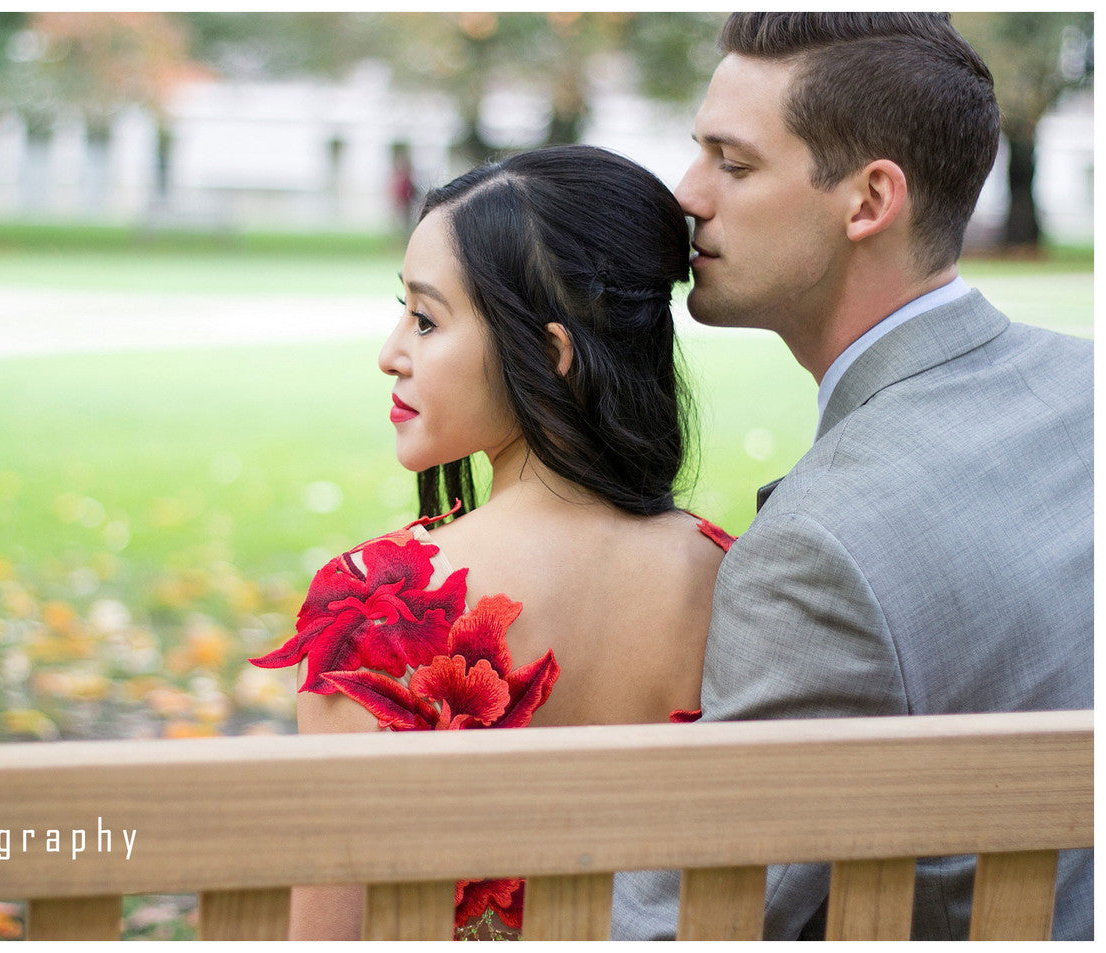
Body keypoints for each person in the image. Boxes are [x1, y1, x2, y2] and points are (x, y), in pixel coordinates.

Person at [610, 13, 1093, 940]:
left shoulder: (817, 553)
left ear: (870, 199)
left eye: (733, 163)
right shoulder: (1089, 385)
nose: (687, 193)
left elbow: (684, 924)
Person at [252, 145, 731, 940]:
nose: (390, 353)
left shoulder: (378, 601)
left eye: (426, 318)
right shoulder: (733, 574)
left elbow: (329, 929)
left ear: (548, 355)